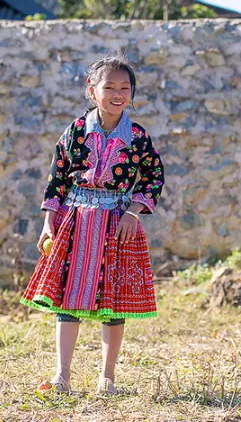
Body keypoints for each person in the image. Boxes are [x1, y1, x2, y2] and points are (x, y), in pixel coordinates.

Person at [21, 54, 165, 395]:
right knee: (67, 299)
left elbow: (153, 177)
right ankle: (62, 376)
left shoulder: (139, 138)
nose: (117, 93)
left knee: (111, 303)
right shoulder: (75, 131)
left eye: (124, 87)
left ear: (132, 93)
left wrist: (133, 212)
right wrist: (48, 223)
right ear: (92, 90)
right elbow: (57, 178)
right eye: (109, 86)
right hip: (75, 220)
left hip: (117, 224)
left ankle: (108, 380)